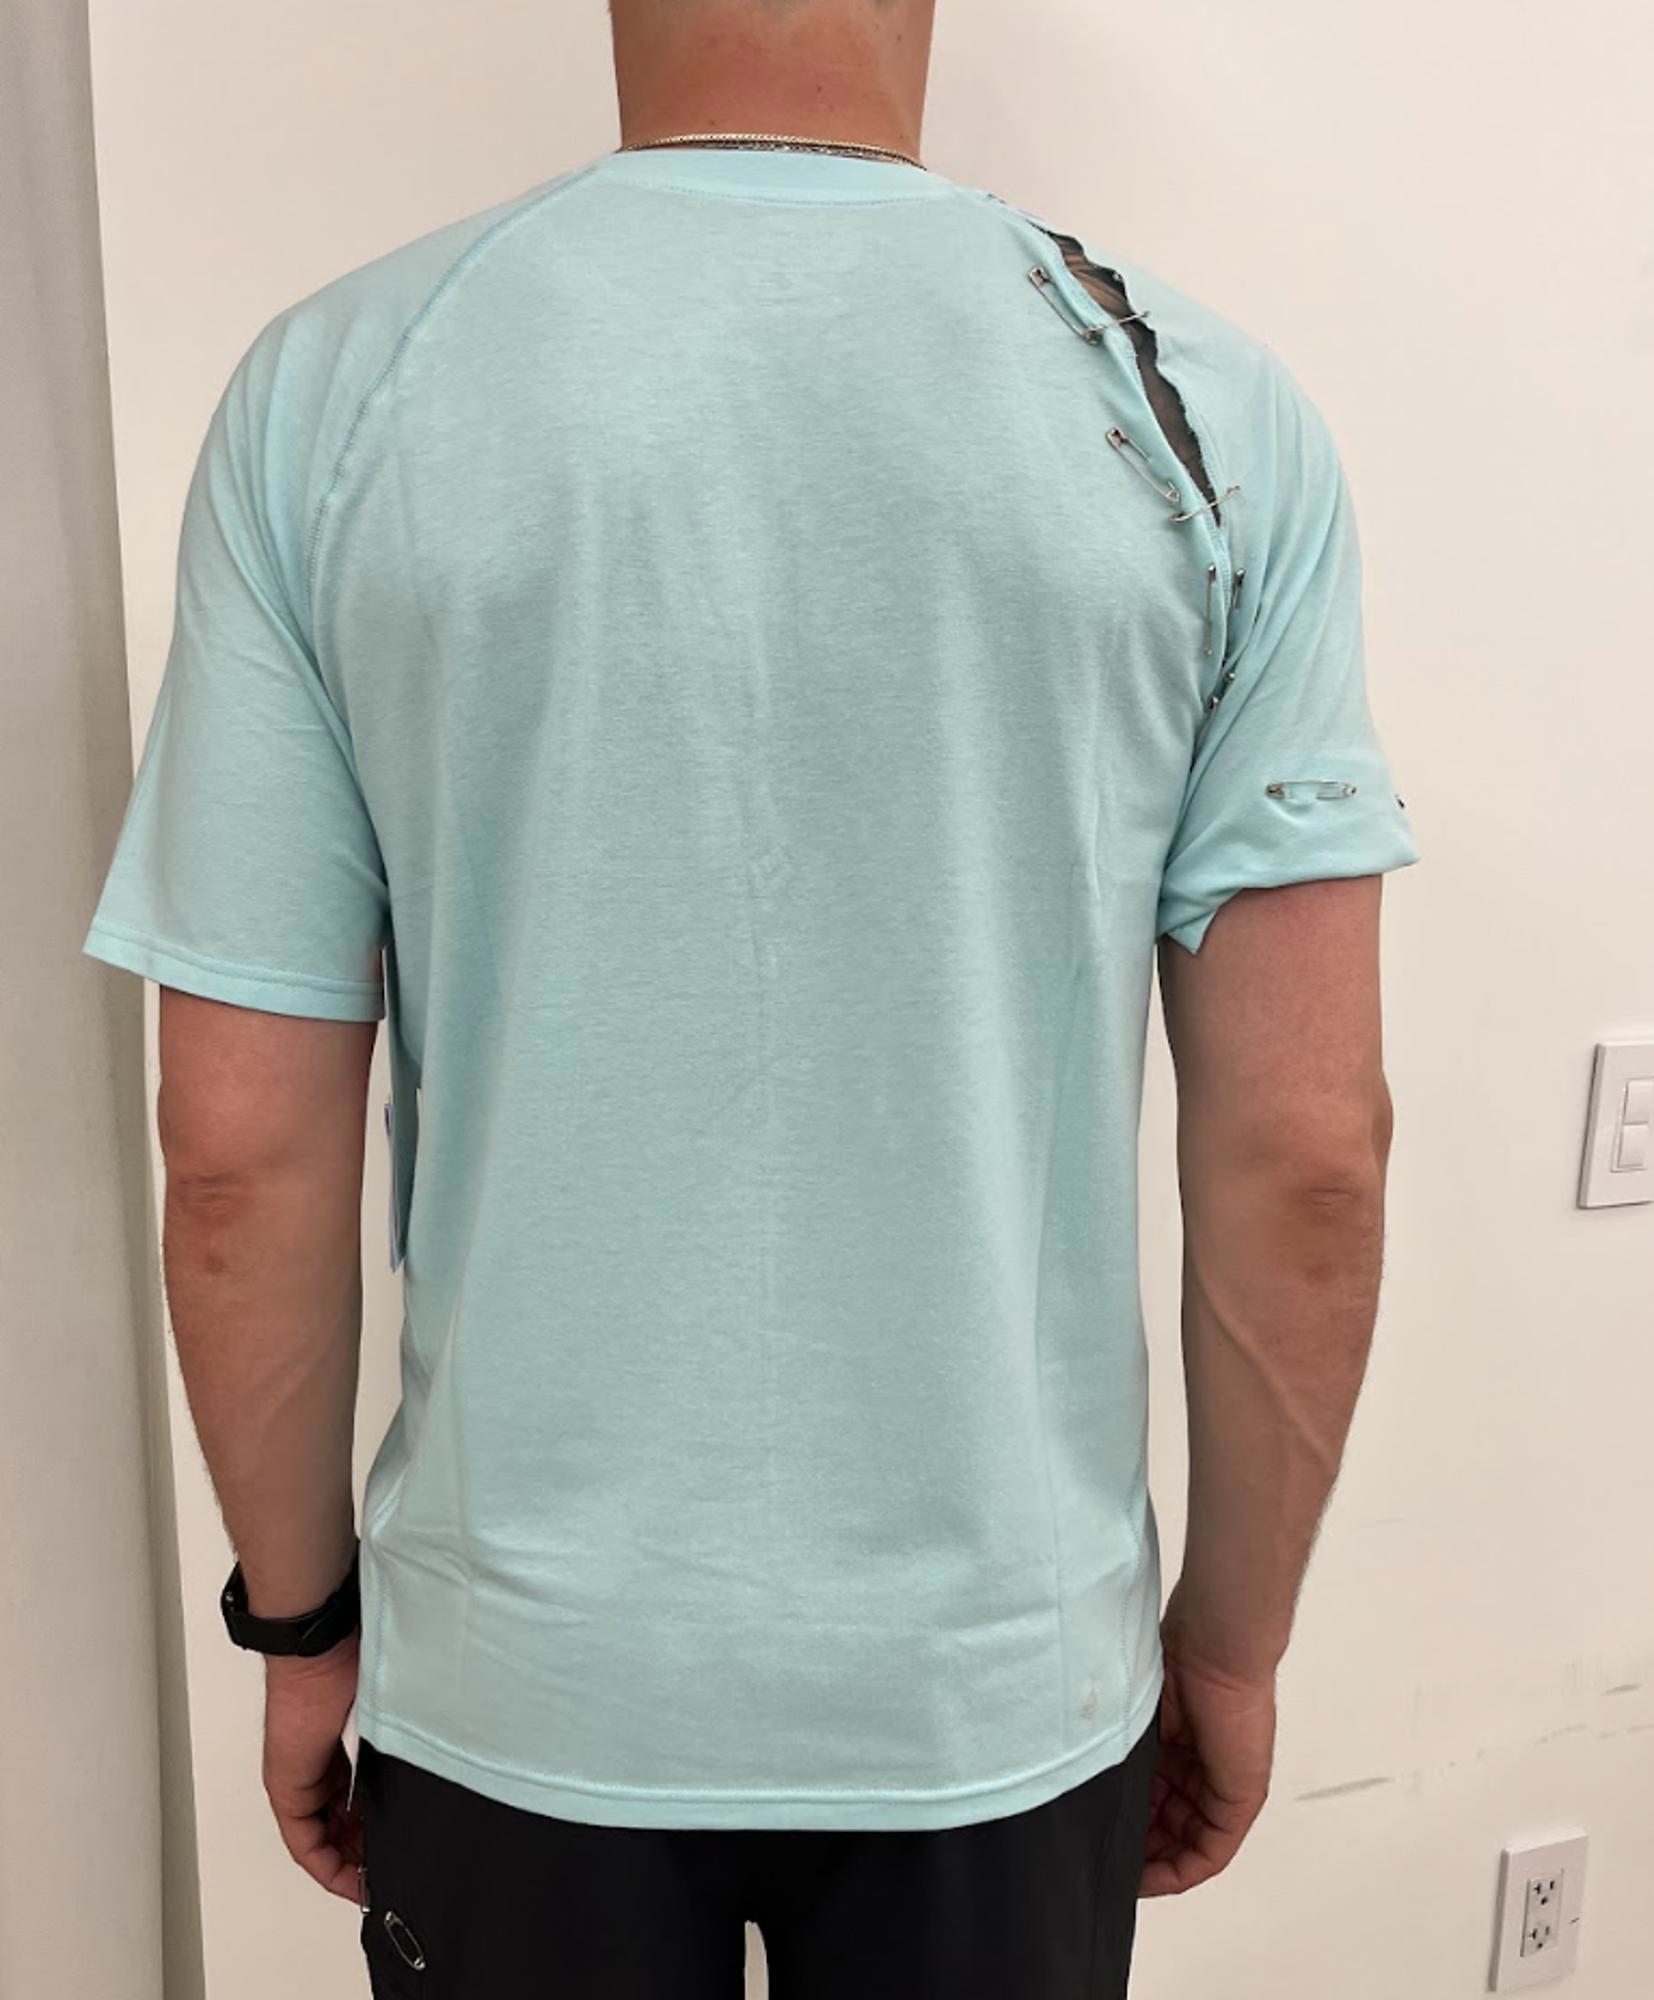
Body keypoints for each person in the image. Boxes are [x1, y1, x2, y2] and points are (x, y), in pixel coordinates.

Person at [82, 0, 1420, 1993]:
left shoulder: (337, 389)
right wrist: (1225, 1647)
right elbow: (1307, 1155)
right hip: (996, 1690)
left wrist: (299, 1632)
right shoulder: (1202, 413)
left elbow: (235, 1160)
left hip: (519, 1687)